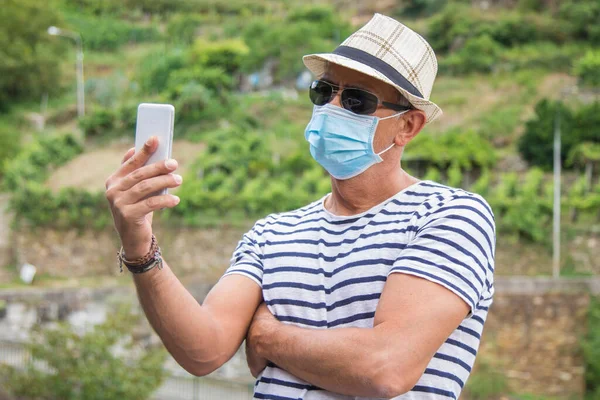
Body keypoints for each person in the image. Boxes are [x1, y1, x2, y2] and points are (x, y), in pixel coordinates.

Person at [105, 13, 495, 400]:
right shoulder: (272, 232)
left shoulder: (449, 216)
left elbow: (385, 367)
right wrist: (139, 244)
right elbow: (203, 349)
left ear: (408, 126)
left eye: (357, 100)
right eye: (324, 92)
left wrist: (267, 337)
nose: (332, 108)